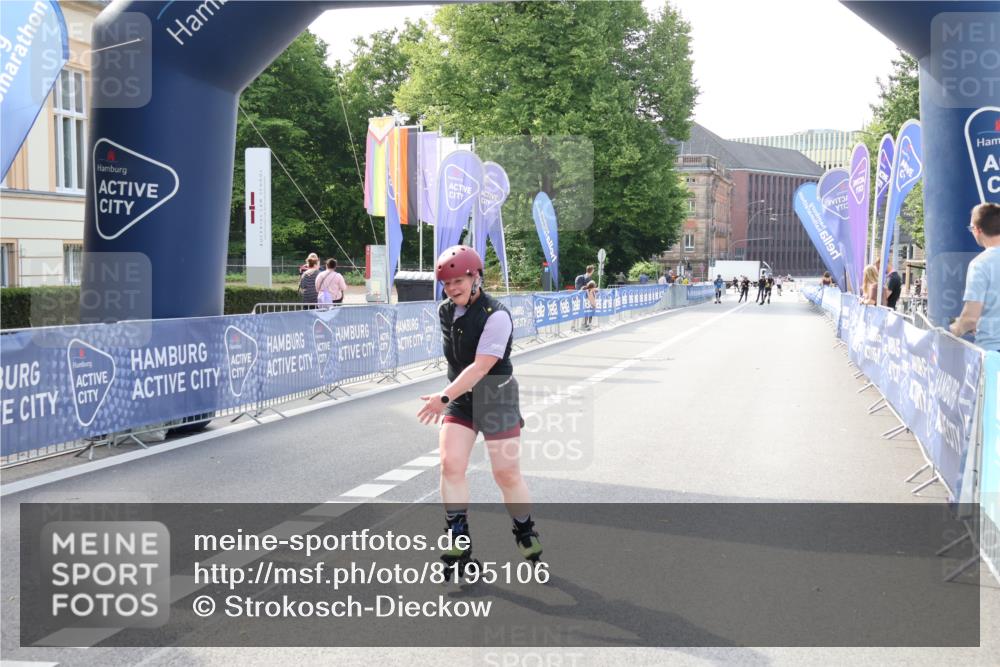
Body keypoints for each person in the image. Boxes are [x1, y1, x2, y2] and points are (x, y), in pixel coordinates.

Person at [417, 245, 542, 574]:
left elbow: (481, 366)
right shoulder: (446, 311)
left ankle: (524, 529)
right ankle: (458, 541)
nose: (452, 288)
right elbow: (458, 363)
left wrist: (442, 397)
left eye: (458, 280)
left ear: (476, 278)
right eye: (446, 283)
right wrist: (451, 397)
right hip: (462, 399)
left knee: (506, 474)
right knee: (450, 465)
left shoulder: (496, 315)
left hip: (495, 395)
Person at [950, 203, 1000, 351]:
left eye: (971, 228)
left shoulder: (980, 264)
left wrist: (955, 328)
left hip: (993, 354)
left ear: (977, 230)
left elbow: (971, 319)